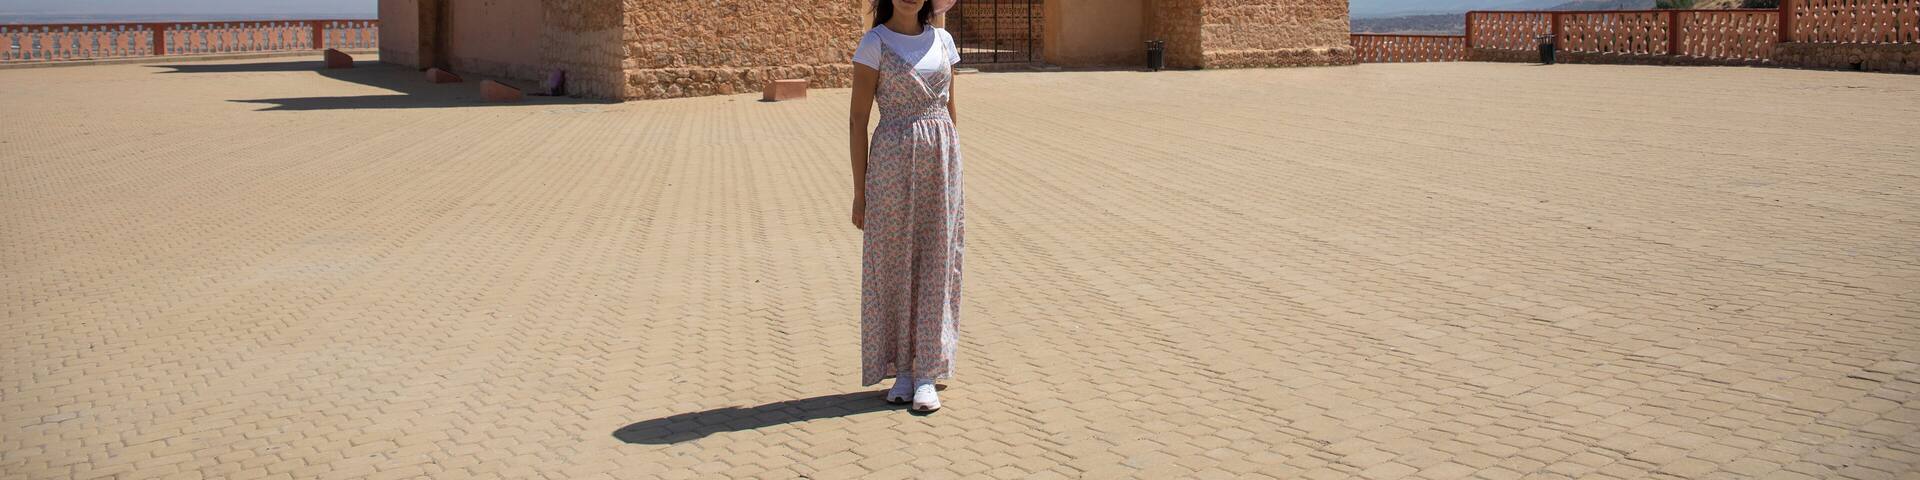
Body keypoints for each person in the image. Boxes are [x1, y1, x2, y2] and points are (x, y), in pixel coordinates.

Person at [847, 0, 964, 413]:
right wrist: (860, 192)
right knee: (894, 263)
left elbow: (950, 111)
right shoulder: (874, 43)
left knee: (936, 262)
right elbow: (858, 119)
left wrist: (954, 166)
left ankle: (928, 370)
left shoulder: (944, 42)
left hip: (940, 164)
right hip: (891, 163)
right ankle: (902, 370)